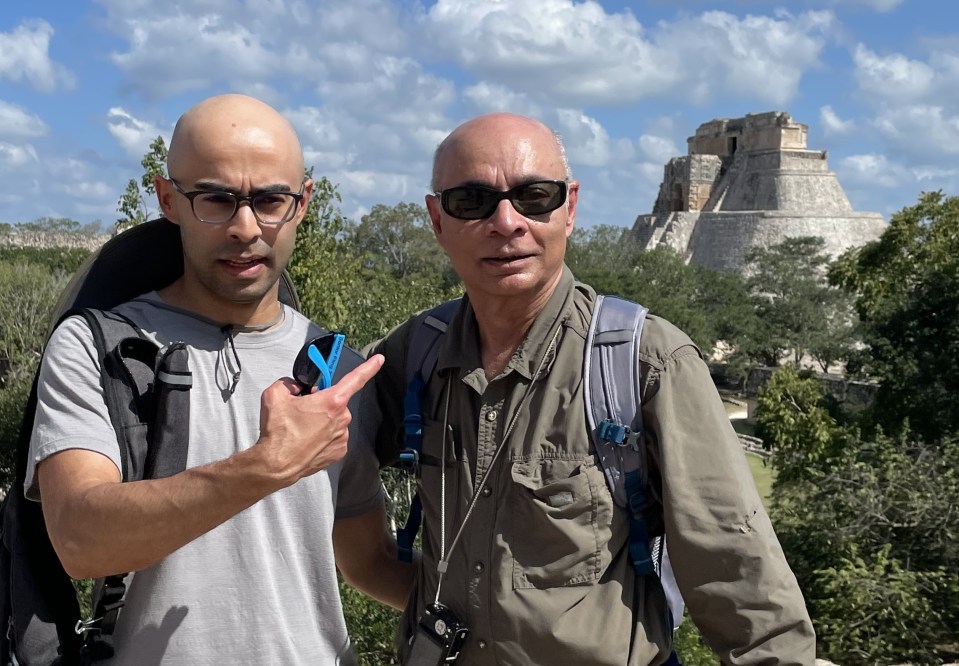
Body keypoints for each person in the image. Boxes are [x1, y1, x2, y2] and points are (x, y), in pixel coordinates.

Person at [367, 113, 817, 665]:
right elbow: (319, 463)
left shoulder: (644, 362)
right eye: (472, 201)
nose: (506, 222)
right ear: (437, 219)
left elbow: (740, 582)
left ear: (570, 208)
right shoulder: (417, 353)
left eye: (534, 196)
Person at [26, 93, 414, 665]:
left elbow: (367, 563)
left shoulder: (336, 368)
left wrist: (508, 621)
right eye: (216, 199)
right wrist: (265, 466)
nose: (245, 227)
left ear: (302, 203)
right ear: (168, 200)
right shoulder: (99, 346)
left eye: (270, 200)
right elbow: (80, 540)